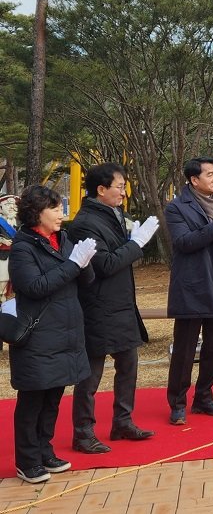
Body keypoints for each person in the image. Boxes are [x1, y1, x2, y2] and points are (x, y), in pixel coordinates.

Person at [68, 163, 160, 454]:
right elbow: (105, 264)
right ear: (101, 189)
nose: (123, 192)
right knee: (90, 374)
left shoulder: (114, 214)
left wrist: (132, 238)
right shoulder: (85, 222)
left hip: (121, 305)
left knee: (128, 366)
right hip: (97, 306)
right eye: (119, 186)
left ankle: (122, 421)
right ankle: (83, 432)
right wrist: (137, 244)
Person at [8, 185, 97, 484]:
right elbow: (34, 287)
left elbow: (85, 280)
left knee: (53, 397)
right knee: (33, 399)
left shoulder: (63, 239)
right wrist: (73, 264)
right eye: (56, 209)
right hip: (38, 335)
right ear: (37, 213)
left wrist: (84, 262)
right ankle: (27, 460)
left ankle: (45, 451)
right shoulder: (23, 247)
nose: (62, 214)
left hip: (66, 332)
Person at [165, 157, 213, 425]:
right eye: (209, 174)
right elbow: (184, 242)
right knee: (185, 350)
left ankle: (204, 397)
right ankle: (177, 403)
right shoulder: (177, 207)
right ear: (193, 180)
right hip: (192, 287)